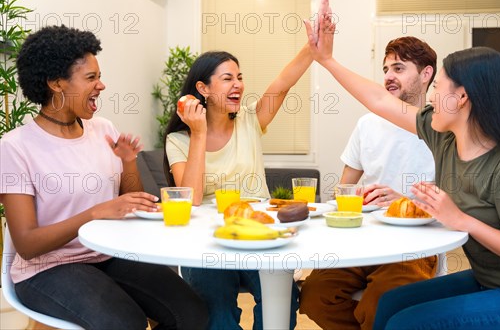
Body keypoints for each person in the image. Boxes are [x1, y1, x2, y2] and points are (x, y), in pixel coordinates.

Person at [304, 0, 500, 330]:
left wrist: (460, 218)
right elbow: (379, 100)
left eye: (438, 87)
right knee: (388, 307)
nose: (432, 97)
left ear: (462, 97)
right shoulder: (445, 138)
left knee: (404, 323)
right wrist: (327, 60)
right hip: (491, 279)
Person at [0, 25, 209, 330]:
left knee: (192, 313)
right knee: (126, 323)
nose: (102, 85)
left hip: (106, 254)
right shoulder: (15, 147)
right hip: (47, 268)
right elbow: (28, 244)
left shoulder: (104, 129)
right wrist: (95, 213)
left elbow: (131, 200)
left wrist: (128, 163)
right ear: (57, 83)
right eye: (91, 78)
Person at [163, 44, 313, 329]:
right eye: (228, 78)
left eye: (240, 77)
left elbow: (282, 84)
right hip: (209, 240)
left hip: (260, 235)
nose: (238, 85)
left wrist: (313, 49)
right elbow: (191, 198)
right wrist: (198, 133)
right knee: (216, 311)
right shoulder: (179, 141)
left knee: (281, 299)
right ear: (202, 88)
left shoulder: (250, 120)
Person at [299, 36, 438, 330]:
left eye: (399, 68)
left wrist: (404, 201)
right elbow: (342, 190)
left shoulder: (442, 128)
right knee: (313, 296)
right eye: (386, 69)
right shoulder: (368, 124)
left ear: (426, 74)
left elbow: (455, 200)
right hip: (362, 239)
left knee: (381, 304)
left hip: (413, 246)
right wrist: (355, 197)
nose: (388, 76)